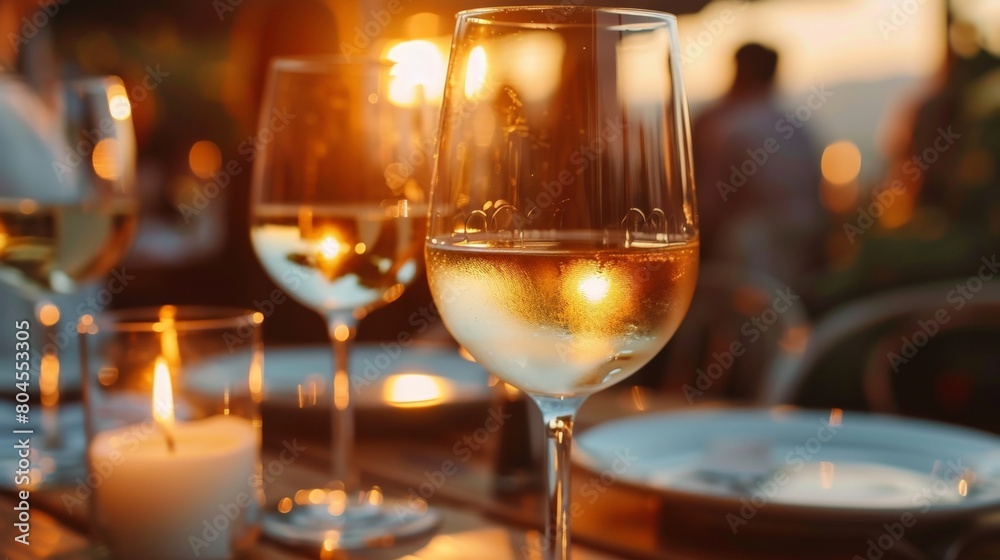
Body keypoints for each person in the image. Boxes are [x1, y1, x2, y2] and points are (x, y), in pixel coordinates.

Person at [692, 43, 826, 304]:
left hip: (748, 253)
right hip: (800, 245)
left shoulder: (728, 127)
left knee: (742, 314)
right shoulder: (799, 127)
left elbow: (713, 202)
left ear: (739, 71)